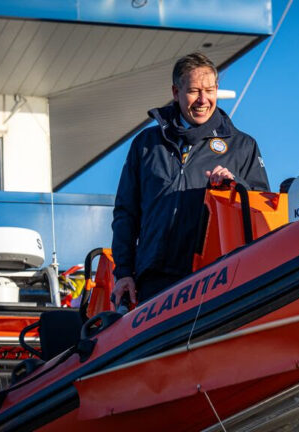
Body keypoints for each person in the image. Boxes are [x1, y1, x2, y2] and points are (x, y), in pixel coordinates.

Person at [111, 52, 269, 306]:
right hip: (153, 279)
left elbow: (263, 210)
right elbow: (125, 214)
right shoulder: (146, 145)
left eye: (209, 90)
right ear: (176, 92)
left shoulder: (243, 146)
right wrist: (124, 273)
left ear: (217, 89)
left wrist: (235, 185)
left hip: (217, 277)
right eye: (194, 91)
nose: (203, 100)